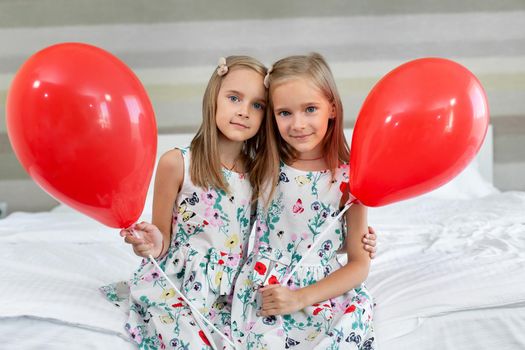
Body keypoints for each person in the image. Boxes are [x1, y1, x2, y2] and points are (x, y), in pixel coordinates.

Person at [231, 53, 376, 349]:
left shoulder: (351, 179)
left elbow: (359, 263)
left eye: (310, 109)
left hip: (321, 292)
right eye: (284, 113)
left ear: (332, 108)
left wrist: (301, 297)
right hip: (265, 287)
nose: (298, 124)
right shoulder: (263, 165)